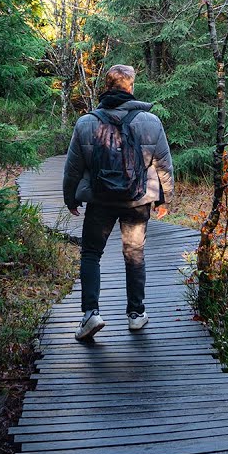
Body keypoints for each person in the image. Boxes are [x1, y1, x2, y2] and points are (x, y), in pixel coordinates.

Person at [63, 64, 174, 342]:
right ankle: (136, 314)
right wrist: (164, 198)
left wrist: (70, 197)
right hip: (137, 200)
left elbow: (73, 167)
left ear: (106, 86)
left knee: (91, 254)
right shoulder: (151, 121)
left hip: (99, 200)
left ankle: (91, 314)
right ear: (131, 87)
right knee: (134, 254)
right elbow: (164, 164)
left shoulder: (86, 122)